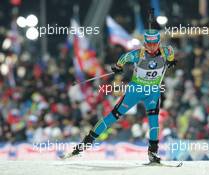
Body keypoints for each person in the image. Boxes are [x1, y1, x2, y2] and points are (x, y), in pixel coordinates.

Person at [64, 29, 177, 164]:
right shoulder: (138, 54)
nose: (151, 47)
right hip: (136, 90)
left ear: (158, 42)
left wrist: (171, 61)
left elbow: (171, 56)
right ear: (145, 43)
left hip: (153, 91)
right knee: (113, 116)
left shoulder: (166, 51)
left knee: (154, 121)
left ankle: (153, 153)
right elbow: (124, 58)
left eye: (154, 44)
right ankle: (84, 145)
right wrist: (118, 66)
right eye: (149, 44)